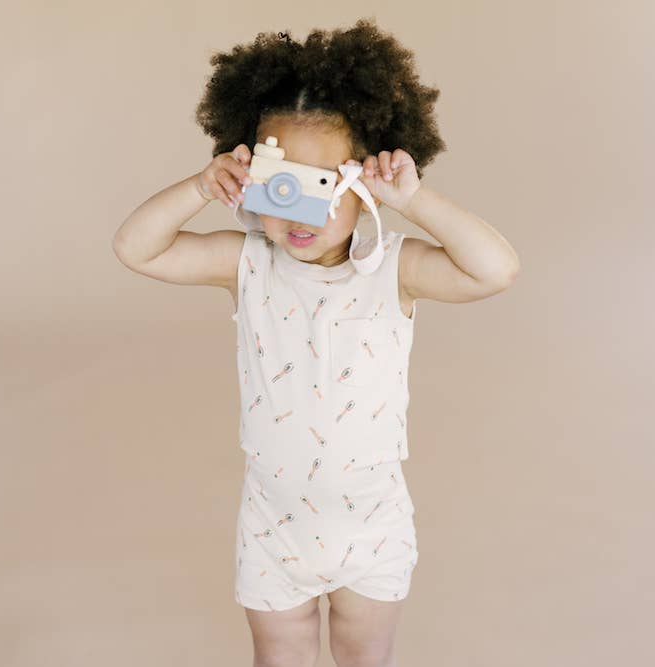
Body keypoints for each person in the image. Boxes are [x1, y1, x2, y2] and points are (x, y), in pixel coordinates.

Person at [113, 18, 521, 667]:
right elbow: (137, 248)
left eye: (325, 185)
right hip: (274, 530)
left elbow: (495, 270)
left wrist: (413, 200)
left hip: (372, 529)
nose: (298, 211)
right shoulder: (247, 263)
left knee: (366, 657)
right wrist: (199, 186)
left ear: (365, 183)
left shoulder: (394, 268)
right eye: (282, 183)